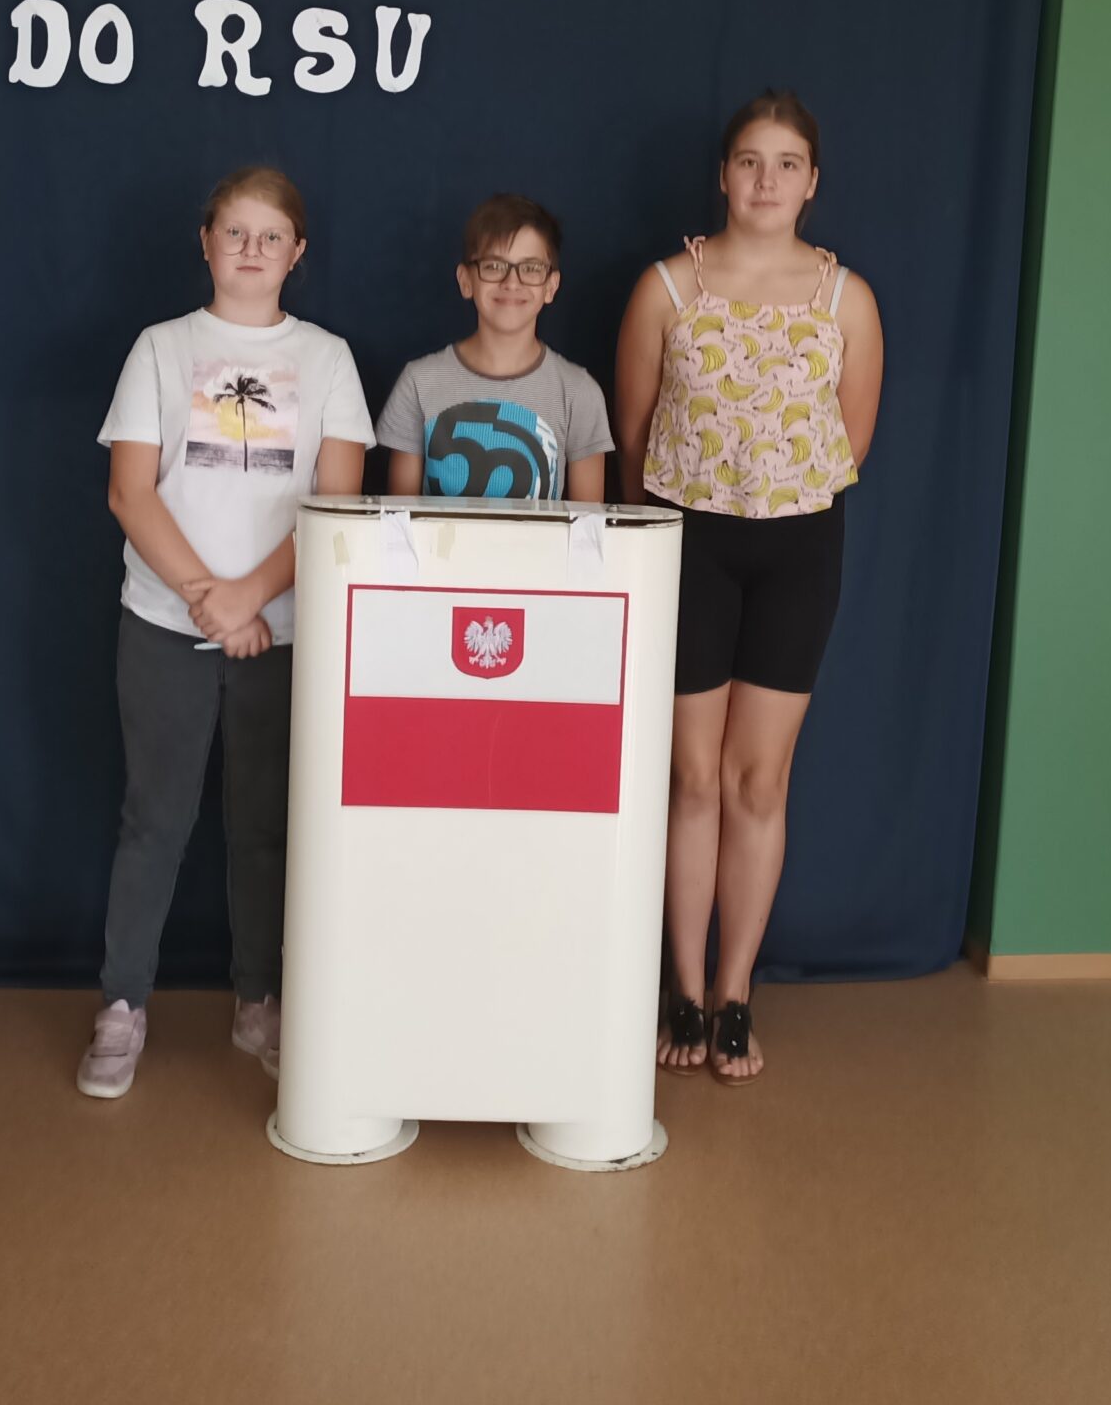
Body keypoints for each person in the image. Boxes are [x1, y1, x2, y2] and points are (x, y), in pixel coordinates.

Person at [80, 166, 373, 1100]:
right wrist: (210, 599)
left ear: (297, 253)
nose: (252, 249)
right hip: (164, 626)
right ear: (205, 243)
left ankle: (261, 1002)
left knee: (266, 829)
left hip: (282, 636)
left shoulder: (327, 359)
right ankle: (122, 1004)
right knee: (153, 822)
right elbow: (130, 491)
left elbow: (338, 501)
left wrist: (252, 599)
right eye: (235, 232)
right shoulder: (161, 349)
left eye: (270, 235)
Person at [613, 91, 883, 1083]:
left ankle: (735, 995)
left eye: (786, 163)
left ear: (812, 183)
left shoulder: (845, 299)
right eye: (748, 161)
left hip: (798, 550)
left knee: (758, 781)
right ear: (722, 176)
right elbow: (635, 434)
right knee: (691, 778)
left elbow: (852, 438)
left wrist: (775, 496)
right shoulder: (664, 290)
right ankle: (682, 991)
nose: (766, 181)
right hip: (690, 544)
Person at [376, 194, 612, 503]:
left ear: (551, 286)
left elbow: (588, 524)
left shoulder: (579, 391)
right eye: (494, 266)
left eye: (530, 268)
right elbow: (400, 518)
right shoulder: (419, 382)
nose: (512, 282)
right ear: (466, 280)